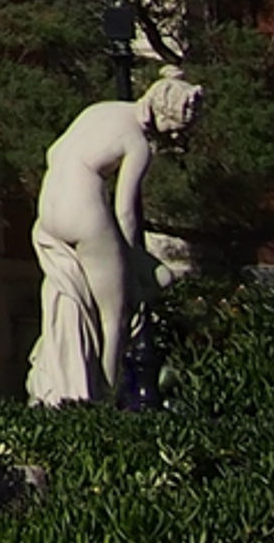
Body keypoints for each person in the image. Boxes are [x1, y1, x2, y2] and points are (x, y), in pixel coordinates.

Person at [28, 74, 202, 405]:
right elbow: (125, 211)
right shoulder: (138, 143)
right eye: (178, 128)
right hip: (85, 214)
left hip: (49, 213)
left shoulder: (98, 110)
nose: (177, 136)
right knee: (116, 317)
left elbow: (55, 151)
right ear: (163, 114)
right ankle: (102, 401)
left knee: (78, 300)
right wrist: (131, 258)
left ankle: (65, 375)